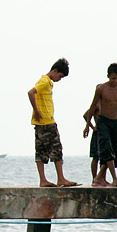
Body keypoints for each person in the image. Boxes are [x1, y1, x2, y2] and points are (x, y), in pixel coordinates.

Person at [27, 58, 78, 188]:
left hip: (40, 123)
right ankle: (61, 178)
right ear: (55, 71)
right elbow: (31, 92)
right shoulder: (45, 81)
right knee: (56, 149)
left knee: (40, 151)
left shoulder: (45, 82)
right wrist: (37, 111)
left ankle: (43, 180)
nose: (59, 79)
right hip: (47, 121)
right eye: (59, 76)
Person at [83, 63, 117, 187]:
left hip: (116, 122)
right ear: (108, 76)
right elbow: (92, 107)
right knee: (106, 150)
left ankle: (99, 178)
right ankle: (114, 179)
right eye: (113, 78)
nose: (115, 81)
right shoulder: (101, 89)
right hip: (103, 122)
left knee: (116, 151)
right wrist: (88, 126)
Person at [85, 104, 117, 186]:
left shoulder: (108, 105)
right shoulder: (98, 105)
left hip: (106, 131)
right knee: (95, 156)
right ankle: (95, 178)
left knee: (105, 156)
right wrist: (92, 127)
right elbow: (86, 115)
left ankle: (102, 178)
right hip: (98, 131)